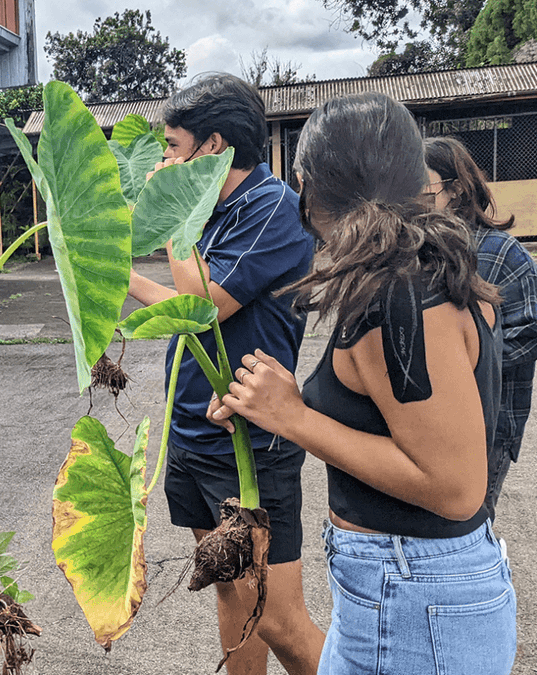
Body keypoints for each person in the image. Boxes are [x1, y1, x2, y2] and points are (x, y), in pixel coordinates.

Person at [210, 93, 516, 674]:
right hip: (399, 591)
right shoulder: (419, 269)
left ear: (308, 184)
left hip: (412, 597)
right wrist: (280, 399)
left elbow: (454, 487)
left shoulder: (400, 295)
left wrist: (296, 419)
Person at [127, 73, 323, 675]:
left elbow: (206, 304)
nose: (163, 160)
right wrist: (118, 281)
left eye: (172, 147)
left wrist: (170, 215)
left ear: (213, 147)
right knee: (230, 591)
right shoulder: (214, 209)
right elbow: (187, 312)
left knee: (278, 617)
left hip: (248, 439)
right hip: (191, 433)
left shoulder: (273, 208)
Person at [423, 136, 537, 515]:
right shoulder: (418, 249)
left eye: (424, 188)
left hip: (487, 431)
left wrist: (462, 360)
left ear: (455, 190)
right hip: (428, 428)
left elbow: (527, 336)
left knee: (469, 525)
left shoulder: (503, 254)